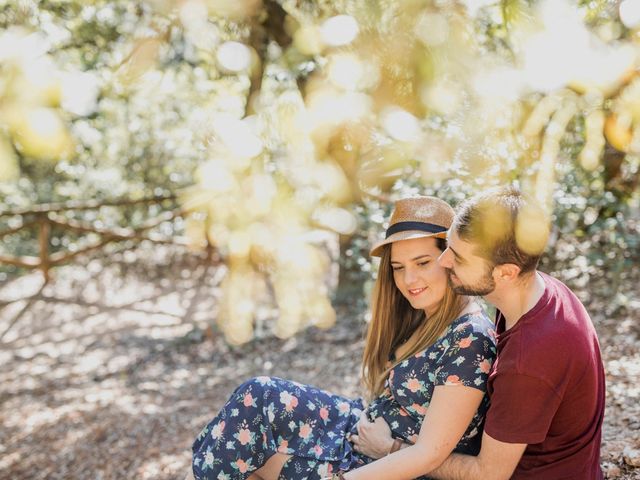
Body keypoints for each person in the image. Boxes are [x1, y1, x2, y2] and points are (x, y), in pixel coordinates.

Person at [187, 196, 497, 480]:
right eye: (398, 268)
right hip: (361, 430)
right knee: (258, 398)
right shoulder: (423, 314)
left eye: (422, 263)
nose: (408, 280)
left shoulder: (470, 338)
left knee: (255, 458)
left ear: (450, 259)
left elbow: (428, 454)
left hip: (391, 467)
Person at [426, 186, 606, 479]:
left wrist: (392, 449)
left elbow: (488, 474)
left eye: (458, 257)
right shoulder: (541, 290)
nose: (443, 261)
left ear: (506, 273)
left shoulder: (528, 362)